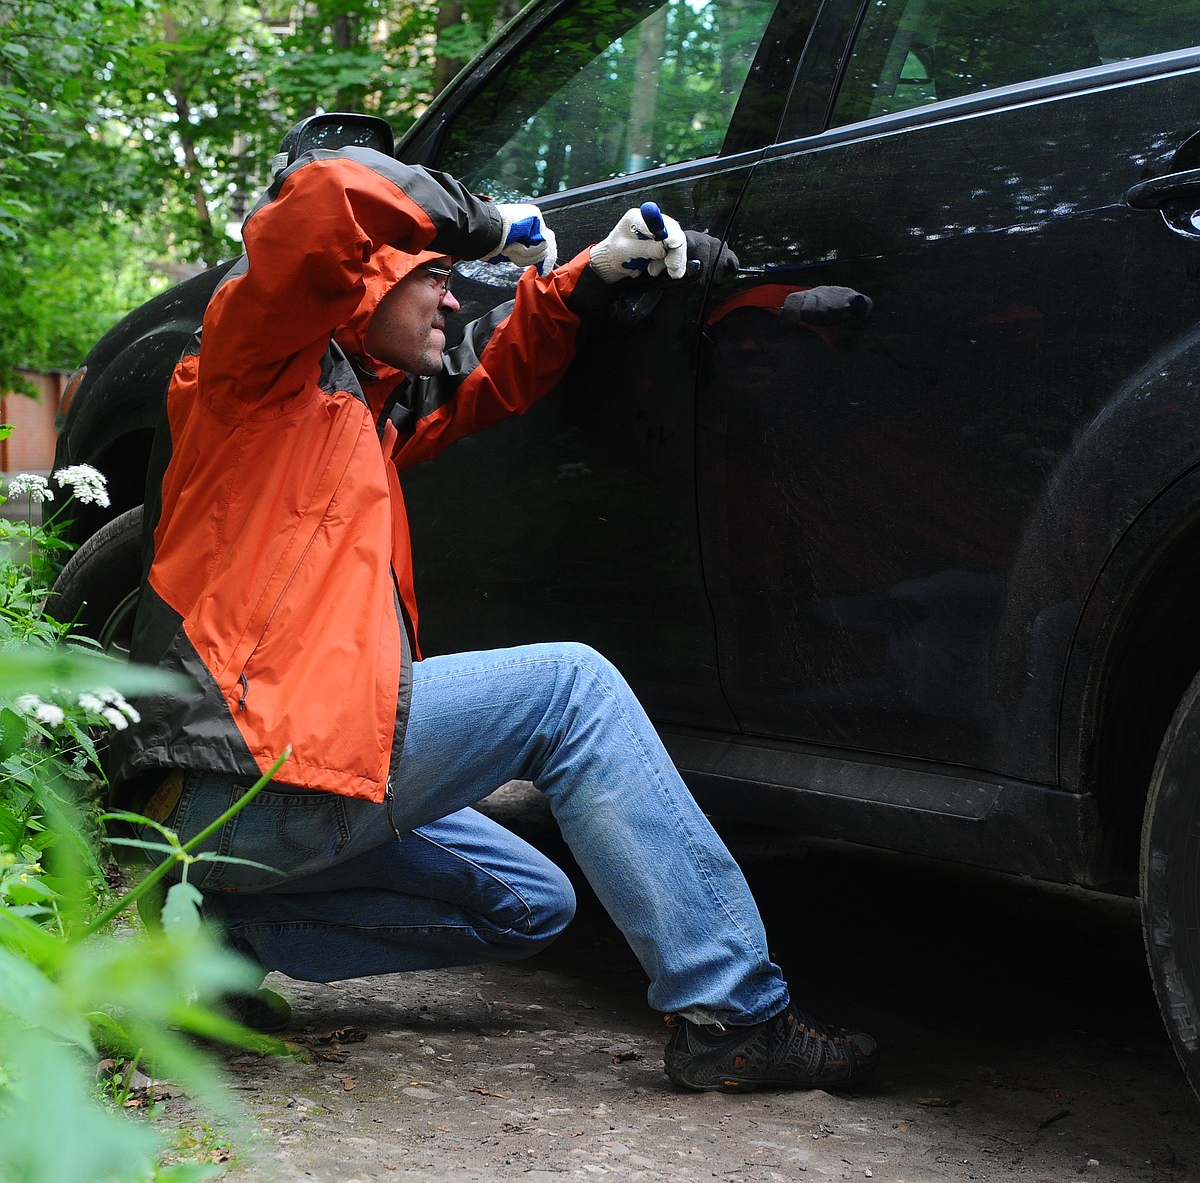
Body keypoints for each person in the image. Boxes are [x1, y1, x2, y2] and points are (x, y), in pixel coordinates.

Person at [111, 140, 877, 1093]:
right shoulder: (245, 374)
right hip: (237, 772)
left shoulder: (362, 414)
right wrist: (484, 221)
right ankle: (735, 1016)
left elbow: (477, 380)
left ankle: (210, 953)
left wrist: (581, 282)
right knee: (573, 687)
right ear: (357, 289)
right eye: (432, 279)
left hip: (258, 799)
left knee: (529, 904)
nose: (452, 297)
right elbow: (327, 196)